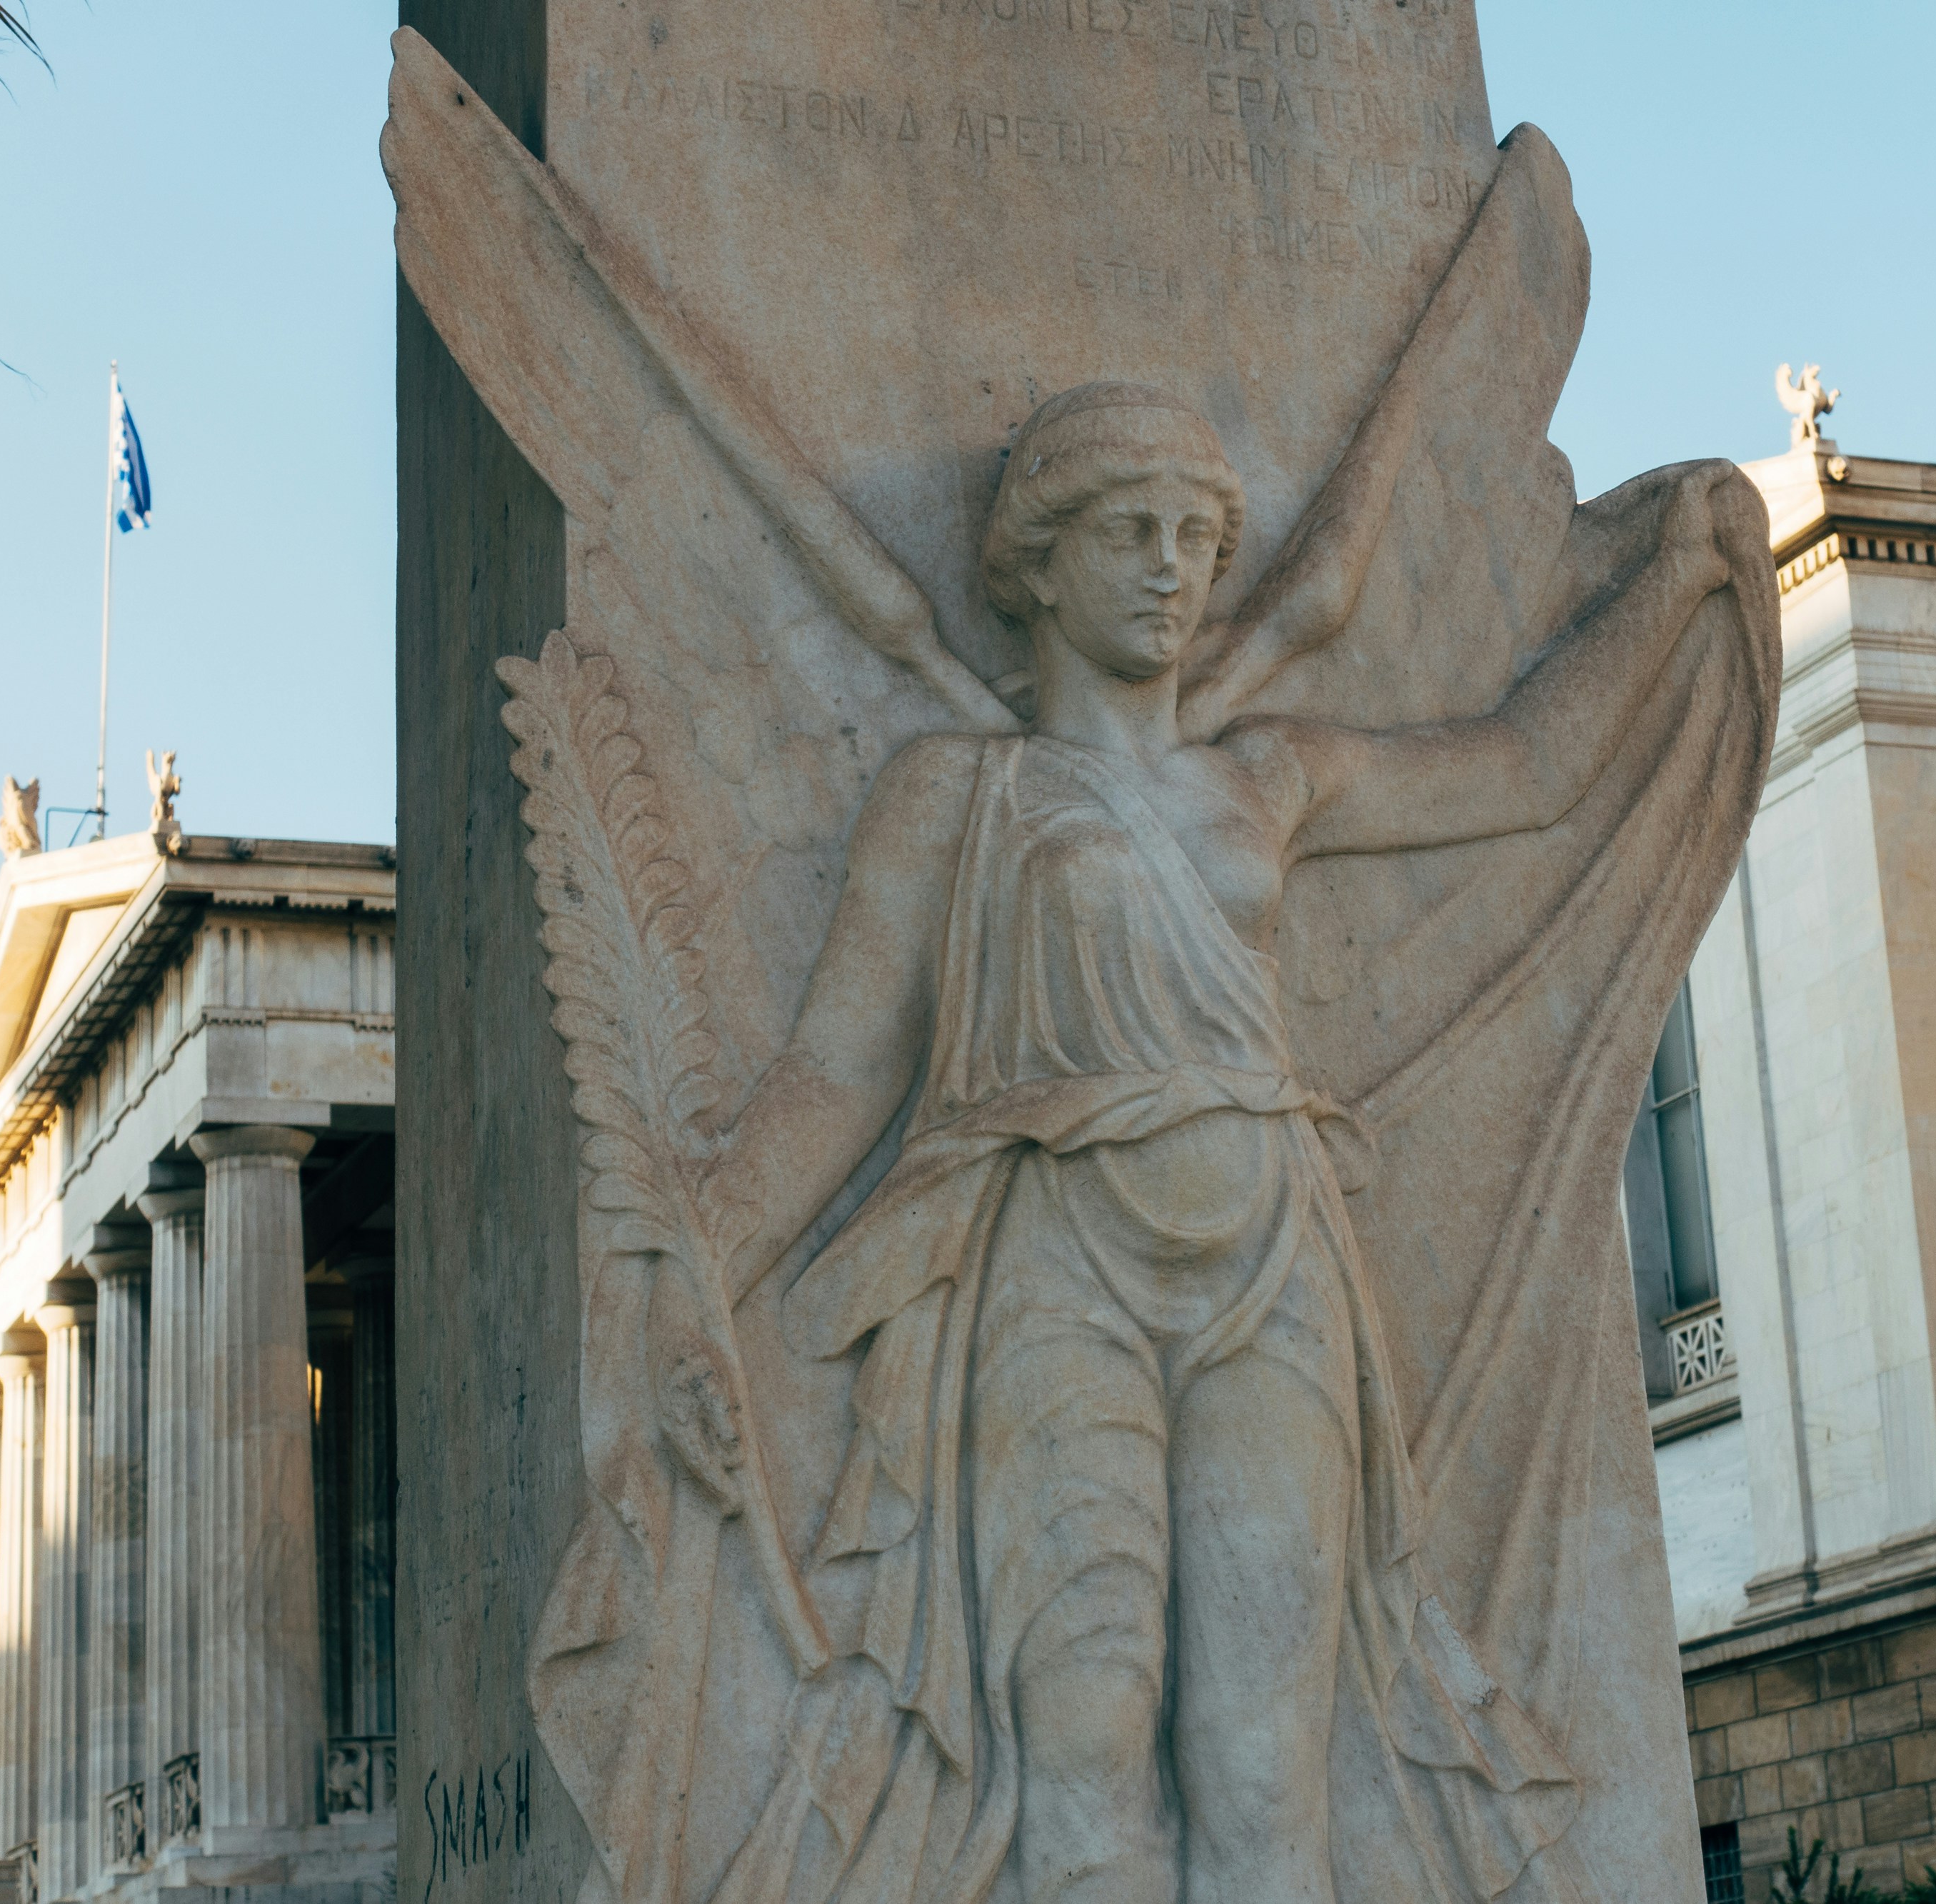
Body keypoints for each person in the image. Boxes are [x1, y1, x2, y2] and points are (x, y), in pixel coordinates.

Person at [697, 383, 1762, 1904]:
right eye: (1128, 532)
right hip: (1056, 1267)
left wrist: (1676, 583)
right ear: (1035, 563)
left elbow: (1526, 770)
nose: (1169, 570)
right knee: (1081, 1733)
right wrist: (692, 1265)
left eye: (1196, 539)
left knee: (1264, 1759)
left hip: (1270, 1261)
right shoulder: (957, 793)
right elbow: (832, 1069)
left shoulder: (1267, 775)